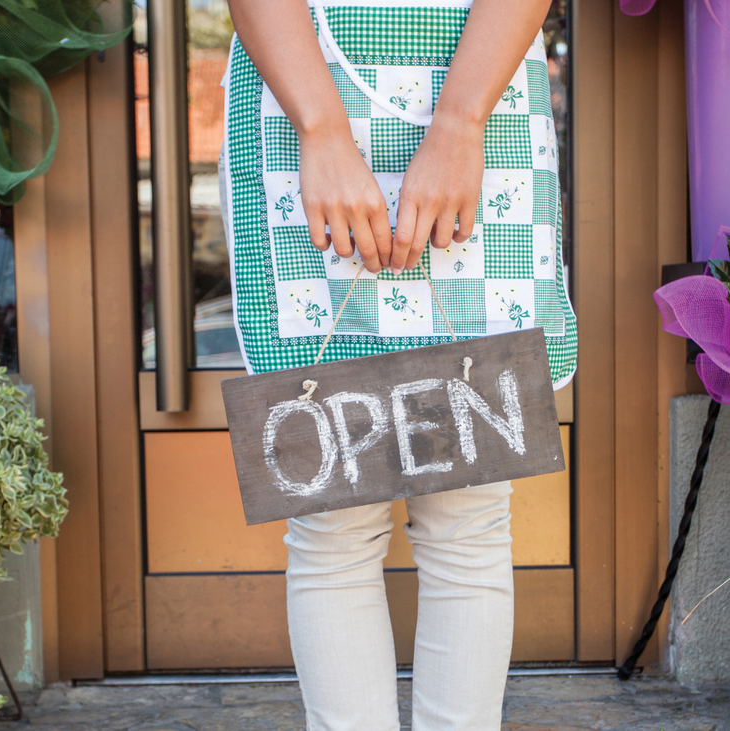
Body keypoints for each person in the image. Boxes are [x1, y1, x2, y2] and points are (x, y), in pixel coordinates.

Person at [219, 0, 576, 729]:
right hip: (301, 90)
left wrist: (458, 123)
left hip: (483, 96)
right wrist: (319, 129)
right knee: (332, 516)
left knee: (467, 510)